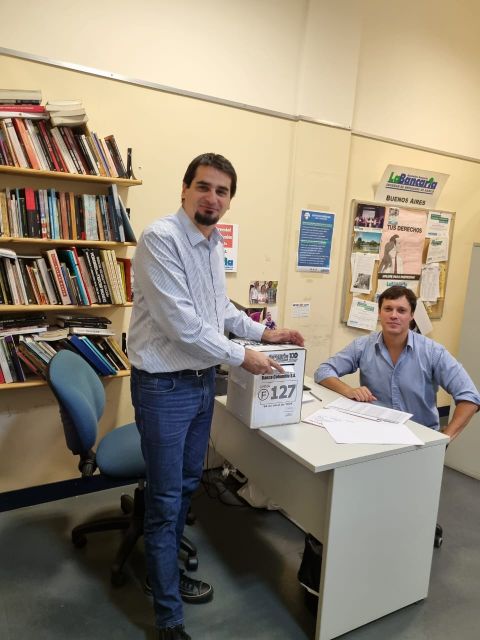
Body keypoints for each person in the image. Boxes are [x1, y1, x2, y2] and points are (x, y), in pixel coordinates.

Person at [128, 152, 304, 640]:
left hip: (201, 383)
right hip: (164, 388)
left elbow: (217, 308)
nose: (212, 198)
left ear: (229, 201)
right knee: (166, 499)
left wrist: (265, 333)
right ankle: (168, 618)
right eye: (204, 187)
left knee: (186, 487)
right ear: (184, 190)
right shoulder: (161, 239)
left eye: (222, 191)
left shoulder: (212, 242)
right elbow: (183, 325)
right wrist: (243, 356)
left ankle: (163, 570)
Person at [314, 286, 480, 439]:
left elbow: (470, 397)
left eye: (401, 310)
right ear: (379, 313)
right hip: (375, 432)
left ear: (411, 315)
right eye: (388, 309)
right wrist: (348, 390)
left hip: (419, 438)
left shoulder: (433, 352)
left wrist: (445, 440)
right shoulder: (363, 346)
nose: (394, 315)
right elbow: (323, 371)